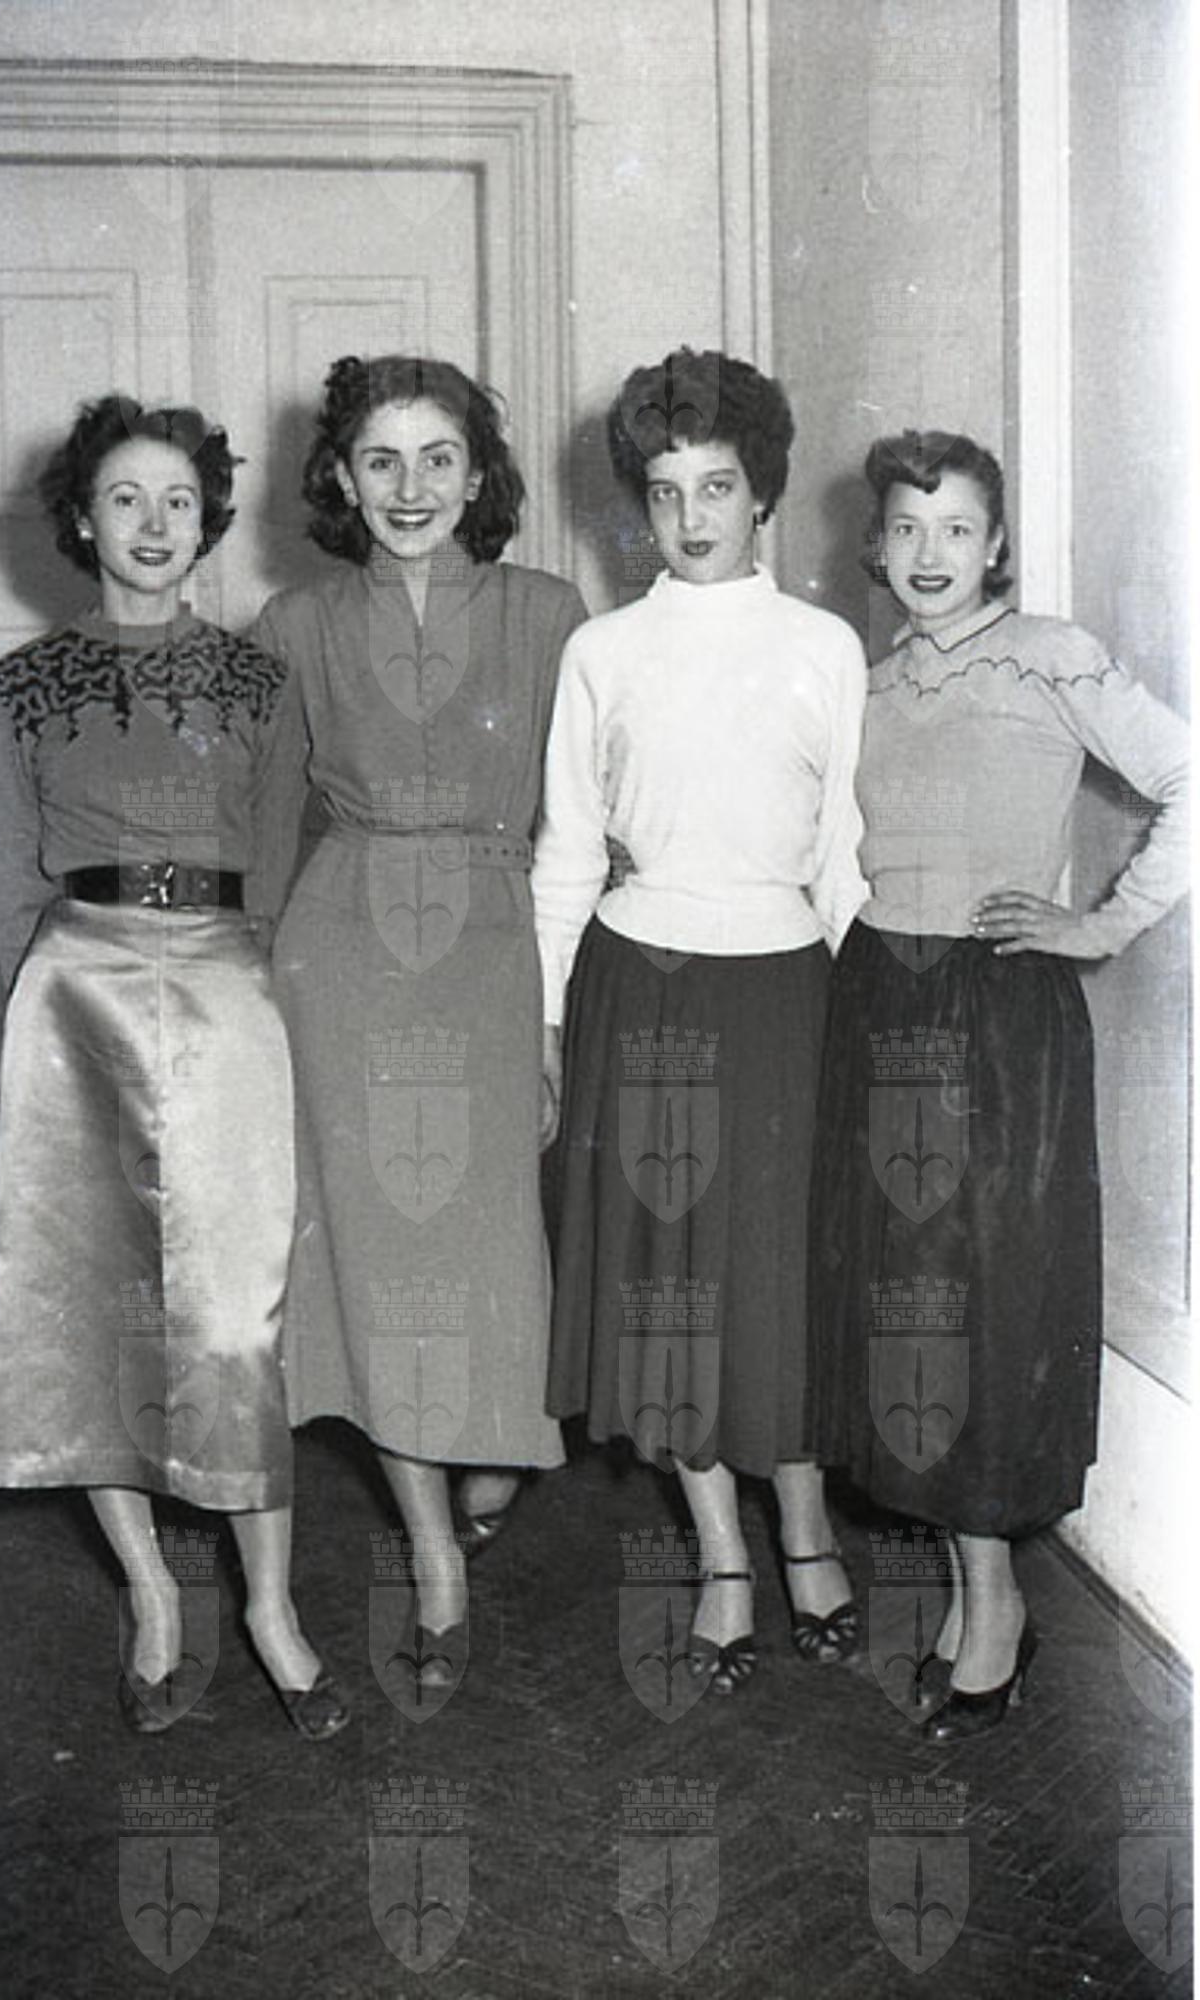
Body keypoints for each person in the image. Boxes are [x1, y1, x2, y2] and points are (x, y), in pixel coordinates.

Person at [0, 395, 348, 1741]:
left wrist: (235, 989)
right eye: (123, 498)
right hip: (74, 998)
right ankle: (153, 1598)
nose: (152, 522)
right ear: (81, 520)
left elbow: (277, 864)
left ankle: (273, 1612)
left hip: (226, 989)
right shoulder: (15, 690)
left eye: (177, 500)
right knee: (92, 1308)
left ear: (207, 522)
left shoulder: (259, 682)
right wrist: (53, 1005)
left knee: (240, 1315)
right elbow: (3, 883)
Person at [807, 429, 1188, 1740]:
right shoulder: (866, 683)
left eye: (958, 528)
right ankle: (980, 1601)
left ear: (998, 544)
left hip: (998, 1016)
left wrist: (1100, 923)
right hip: (879, 999)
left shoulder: (1050, 654)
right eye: (907, 528)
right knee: (906, 1304)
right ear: (877, 544)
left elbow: (1188, 780)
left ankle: (996, 1606)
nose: (930, 554)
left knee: (983, 1303)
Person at [534, 349, 867, 1694]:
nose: (690, 517)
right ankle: (724, 1557)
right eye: (665, 491)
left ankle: (806, 1534)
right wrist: (549, 1028)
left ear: (761, 493)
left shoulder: (824, 649)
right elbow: (567, 852)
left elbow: (843, 856)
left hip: (785, 992)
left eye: (717, 487)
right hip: (639, 986)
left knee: (780, 1285)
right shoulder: (601, 652)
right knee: (669, 1291)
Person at [250, 355, 586, 1688]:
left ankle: (492, 1462)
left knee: (494, 1241)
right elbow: (267, 831)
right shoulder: (294, 623)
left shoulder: (551, 614)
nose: (409, 488)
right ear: (340, 477)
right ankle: (435, 1555)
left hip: (498, 949)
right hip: (339, 955)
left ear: (478, 473)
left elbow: (583, 829)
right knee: (378, 1263)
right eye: (380, 460)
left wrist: (556, 1015)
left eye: (437, 458)